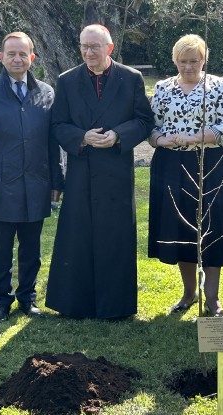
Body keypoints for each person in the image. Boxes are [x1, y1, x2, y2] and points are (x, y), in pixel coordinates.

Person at [45, 24, 154, 319]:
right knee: (77, 236)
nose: (88, 52)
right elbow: (57, 125)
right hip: (81, 171)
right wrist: (82, 137)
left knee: (115, 238)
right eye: (84, 46)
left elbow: (145, 120)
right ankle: (75, 305)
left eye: (94, 47)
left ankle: (114, 307)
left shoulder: (131, 78)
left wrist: (118, 135)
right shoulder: (67, 81)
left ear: (109, 48)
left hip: (116, 172)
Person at [0, 32, 63, 321]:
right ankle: (1, 301)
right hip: (0, 187)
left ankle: (27, 298)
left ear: (32, 57)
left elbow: (51, 141)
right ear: (1, 57)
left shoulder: (46, 92)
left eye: (23, 54)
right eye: (11, 53)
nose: (17, 59)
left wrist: (56, 181)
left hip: (36, 184)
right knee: (1, 250)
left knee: (31, 249)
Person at [148, 34, 223, 317]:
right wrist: (162, 140)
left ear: (204, 60)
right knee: (180, 230)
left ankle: (213, 298)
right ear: (175, 61)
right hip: (171, 165)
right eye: (183, 61)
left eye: (195, 61)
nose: (189, 67)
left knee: (211, 229)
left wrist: (198, 137)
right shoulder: (162, 89)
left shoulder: (218, 86)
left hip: (208, 164)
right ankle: (189, 292)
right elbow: (151, 128)